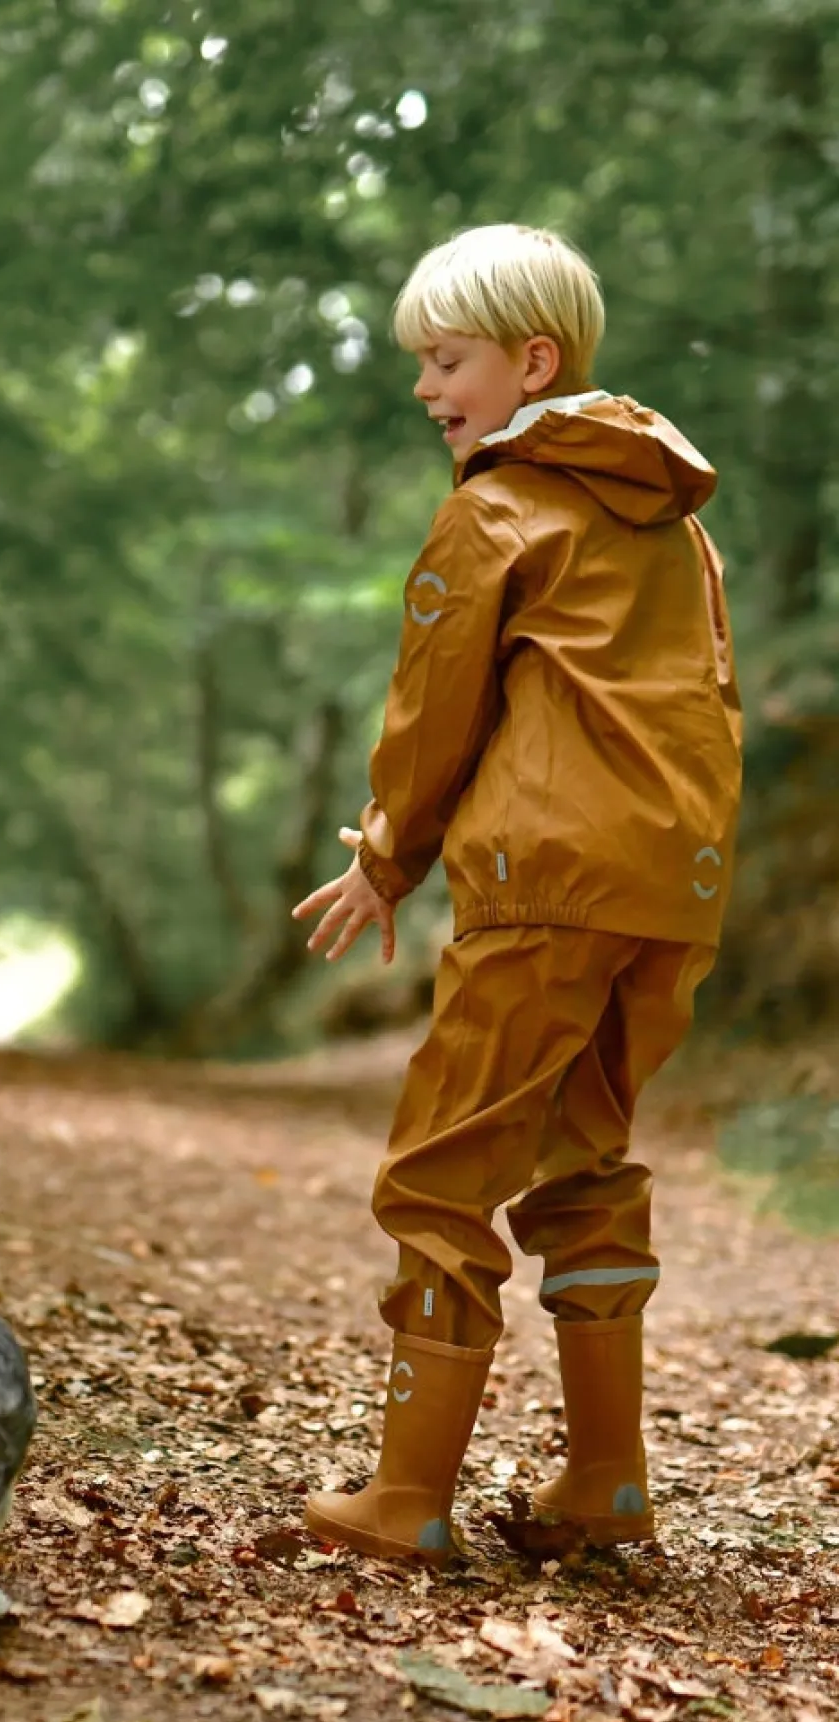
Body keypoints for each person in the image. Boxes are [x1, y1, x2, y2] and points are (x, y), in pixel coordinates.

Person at [291, 223, 742, 1567]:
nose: (427, 388)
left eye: (447, 359)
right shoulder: (677, 518)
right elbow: (706, 699)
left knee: (440, 1173)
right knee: (585, 1158)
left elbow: (436, 712)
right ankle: (604, 1481)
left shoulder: (494, 507)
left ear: (531, 359)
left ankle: (407, 1497)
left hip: (543, 880)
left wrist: (387, 850)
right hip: (672, 887)